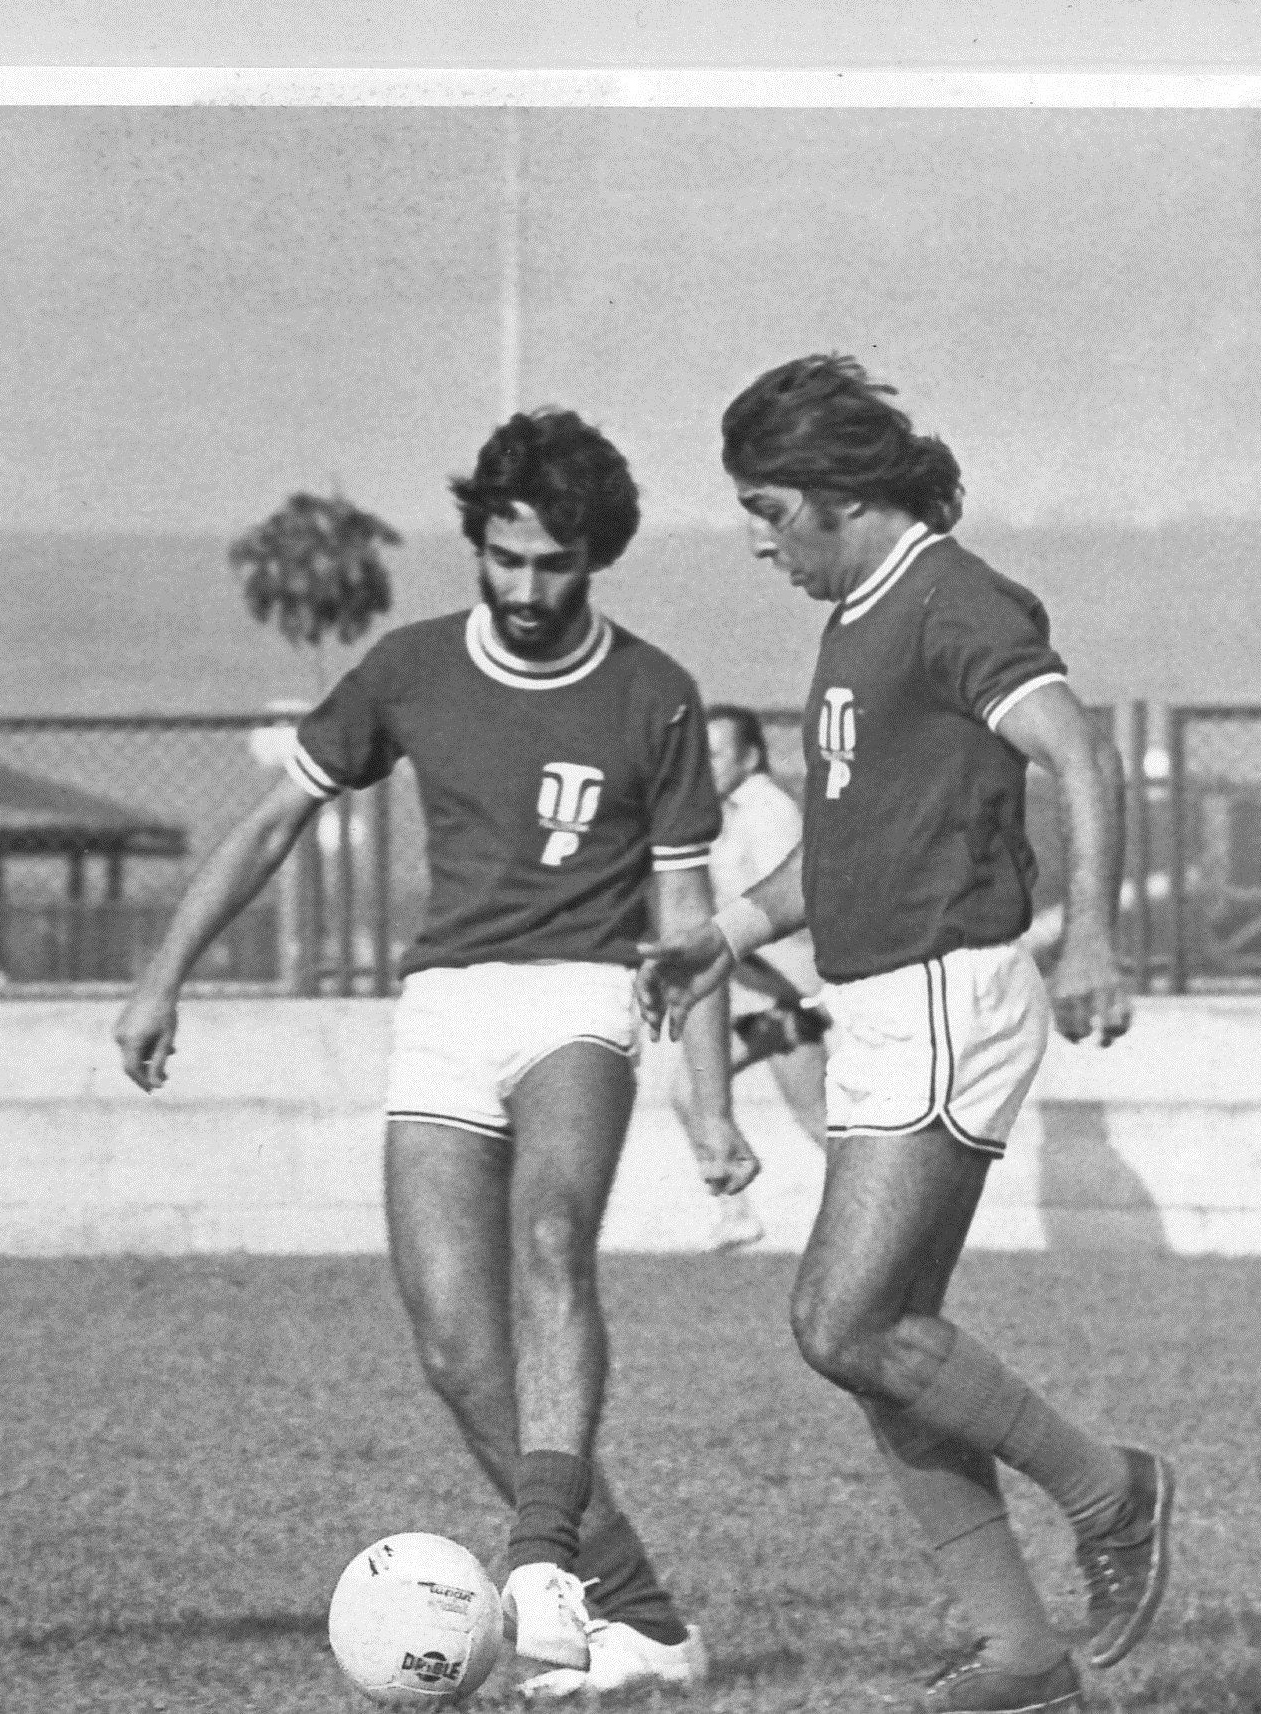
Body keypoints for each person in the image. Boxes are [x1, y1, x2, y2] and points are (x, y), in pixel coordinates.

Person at [116, 410, 743, 1700]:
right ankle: (644, 1617)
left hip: (582, 994)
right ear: (478, 545)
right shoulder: (408, 668)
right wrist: (163, 973)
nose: (525, 586)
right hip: (445, 1008)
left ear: (595, 556)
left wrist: (711, 1103)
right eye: (504, 558)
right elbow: (273, 823)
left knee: (551, 1239)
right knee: (456, 1349)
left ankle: (539, 1568)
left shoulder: (655, 693)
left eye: (553, 563)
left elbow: (688, 924)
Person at [639, 358, 1170, 1714]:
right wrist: (721, 935)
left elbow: (1080, 752)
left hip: (943, 996)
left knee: (840, 1319)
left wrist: (1091, 936)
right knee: (891, 1349)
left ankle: (1106, 1490)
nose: (757, 542)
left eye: (768, 511)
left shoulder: (949, 600)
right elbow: (840, 851)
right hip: (875, 1001)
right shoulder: (856, 619)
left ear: (839, 494)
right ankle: (1020, 1652)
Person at [668, 707, 831, 1250]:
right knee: (699, 1091)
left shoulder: (768, 812)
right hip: (769, 993)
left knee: (817, 1121)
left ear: (750, 758)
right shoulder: (727, 812)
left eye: (715, 754)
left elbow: (790, 913)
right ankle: (737, 1210)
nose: (703, 767)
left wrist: (723, 941)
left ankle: (890, 1215)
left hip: (794, 993)